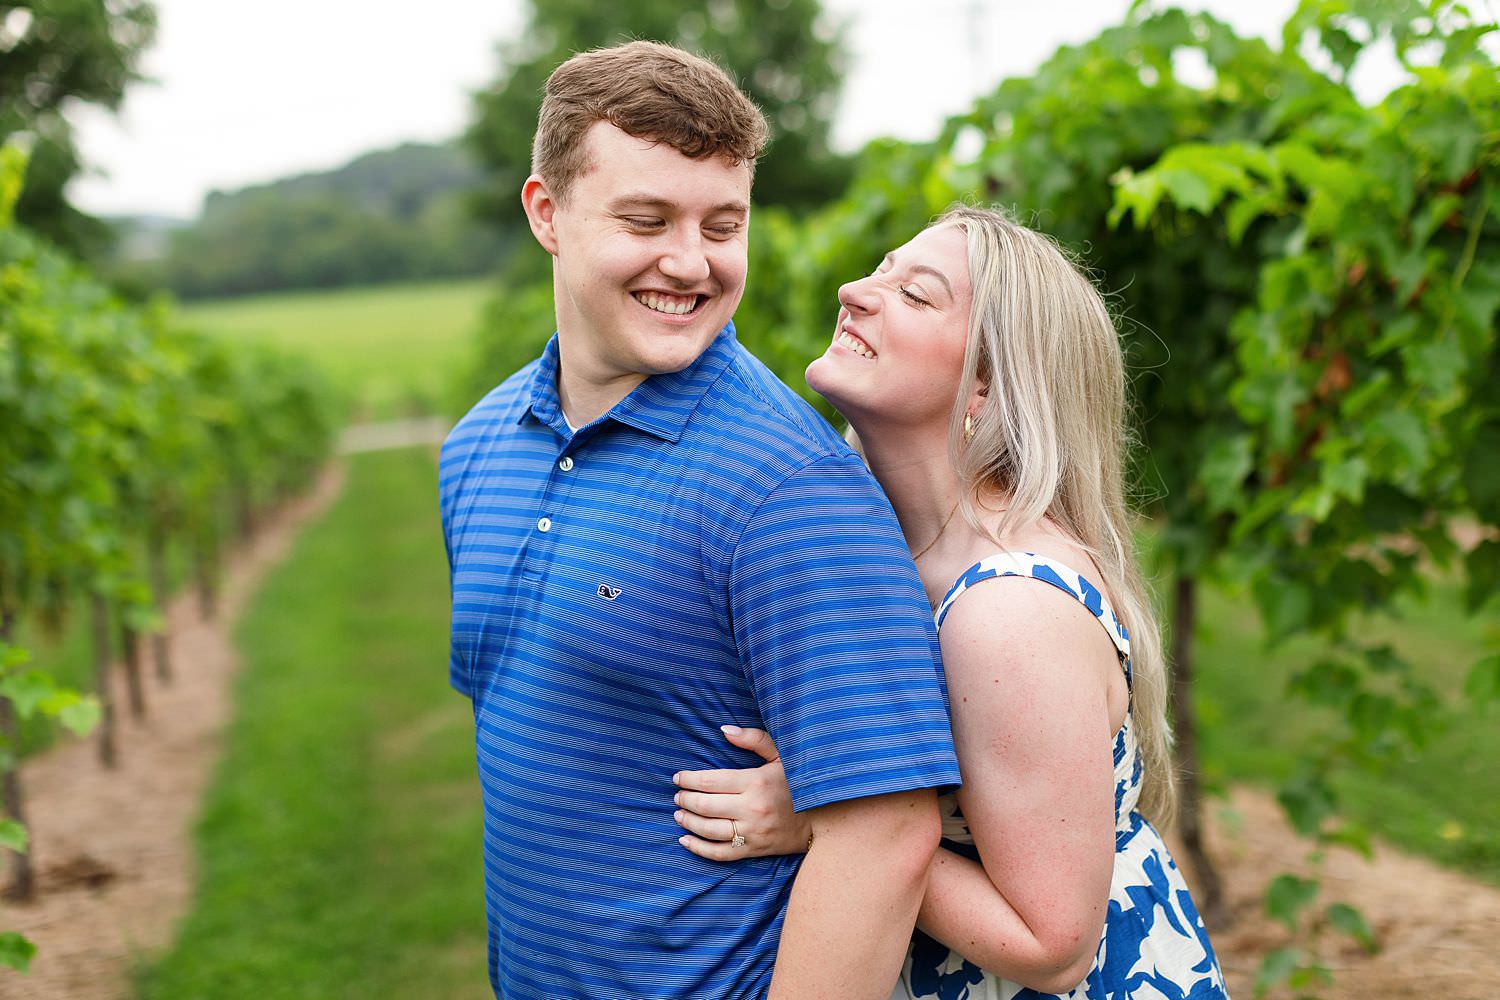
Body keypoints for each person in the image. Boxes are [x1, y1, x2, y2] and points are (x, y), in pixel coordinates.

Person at [439, 41, 962, 1000]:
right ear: (546, 213)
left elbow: (885, 835)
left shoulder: (787, 486)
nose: (691, 262)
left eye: (725, 225)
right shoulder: (474, 449)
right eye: (647, 220)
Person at [672, 206, 1230, 1000]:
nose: (853, 290)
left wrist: (832, 824)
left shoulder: (1010, 612)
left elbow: (1053, 946)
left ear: (987, 383)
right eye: (880, 269)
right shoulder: (878, 545)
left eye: (917, 294)